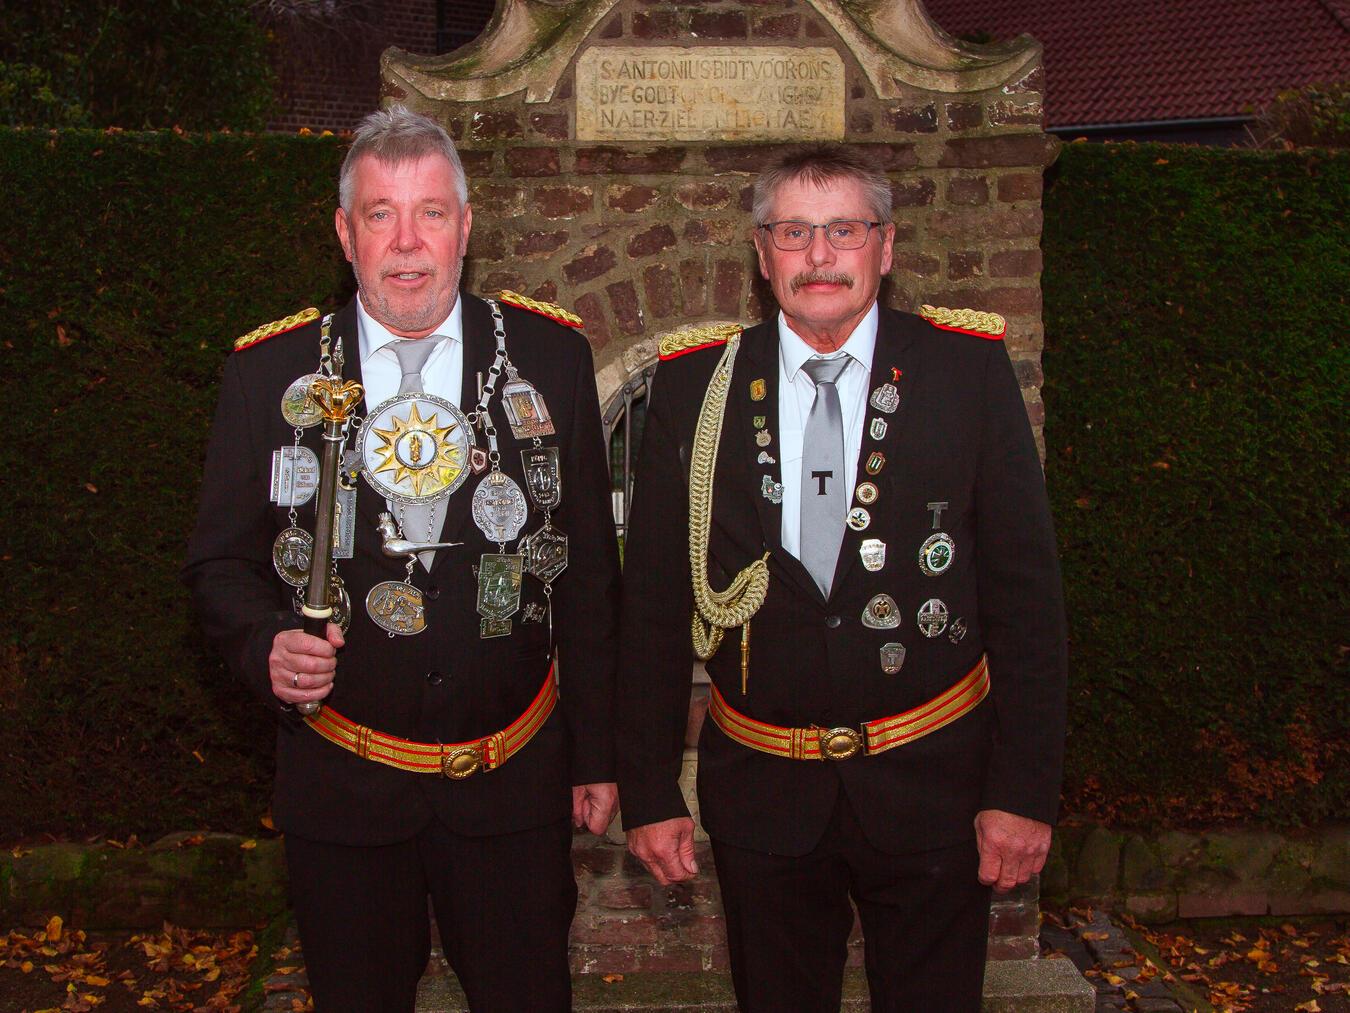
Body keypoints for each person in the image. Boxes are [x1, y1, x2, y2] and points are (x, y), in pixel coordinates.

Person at [183, 105, 620, 1012]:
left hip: (513, 787)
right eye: (381, 213)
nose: (407, 241)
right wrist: (263, 643)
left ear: (467, 226)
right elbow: (220, 563)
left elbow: (586, 577)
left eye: (430, 211)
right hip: (344, 792)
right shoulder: (270, 375)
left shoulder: (552, 356)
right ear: (345, 234)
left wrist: (599, 753)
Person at [616, 144, 1067, 1012]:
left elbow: (1027, 600)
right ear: (761, 253)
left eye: (843, 230)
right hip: (764, 792)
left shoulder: (964, 372)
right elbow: (653, 607)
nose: (819, 255)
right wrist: (647, 789)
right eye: (794, 231)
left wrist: (1022, 792)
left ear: (884, 248)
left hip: (933, 785)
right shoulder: (695, 385)